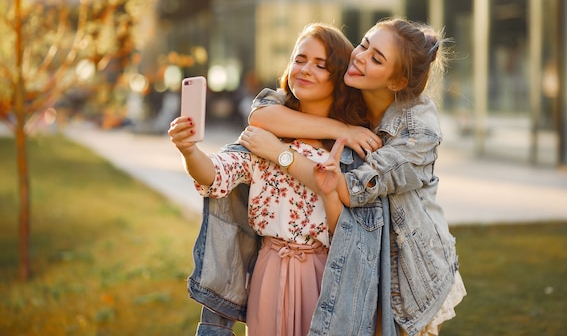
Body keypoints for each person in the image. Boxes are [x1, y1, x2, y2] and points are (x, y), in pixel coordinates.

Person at [240, 18, 466, 336]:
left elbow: (347, 189)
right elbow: (262, 114)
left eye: (376, 59)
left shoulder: (418, 130)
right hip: (360, 256)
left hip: (408, 270)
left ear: (398, 81)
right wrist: (341, 129)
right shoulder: (351, 90)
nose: (359, 57)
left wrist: (281, 154)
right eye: (363, 44)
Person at [168, 23, 369, 336]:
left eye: (321, 65)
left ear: (339, 77)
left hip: (326, 275)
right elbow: (216, 174)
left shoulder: (349, 150)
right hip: (269, 271)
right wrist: (189, 150)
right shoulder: (265, 135)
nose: (305, 70)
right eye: (299, 59)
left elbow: (351, 231)